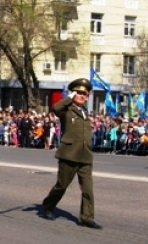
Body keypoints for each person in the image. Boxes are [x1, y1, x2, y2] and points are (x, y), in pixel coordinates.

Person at [41, 78, 102, 229]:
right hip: (69, 154)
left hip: (85, 155)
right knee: (62, 185)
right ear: (74, 94)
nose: (82, 96)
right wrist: (68, 97)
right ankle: (48, 205)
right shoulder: (67, 109)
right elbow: (55, 108)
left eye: (85, 94)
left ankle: (87, 217)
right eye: (79, 93)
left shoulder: (85, 112)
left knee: (88, 189)